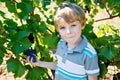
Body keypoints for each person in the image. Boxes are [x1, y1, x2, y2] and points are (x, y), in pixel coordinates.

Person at [27, 1, 100, 80]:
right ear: (58, 30)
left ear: (82, 25)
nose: (68, 32)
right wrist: (39, 63)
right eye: (62, 28)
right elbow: (60, 65)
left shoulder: (89, 54)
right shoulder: (61, 44)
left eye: (73, 25)